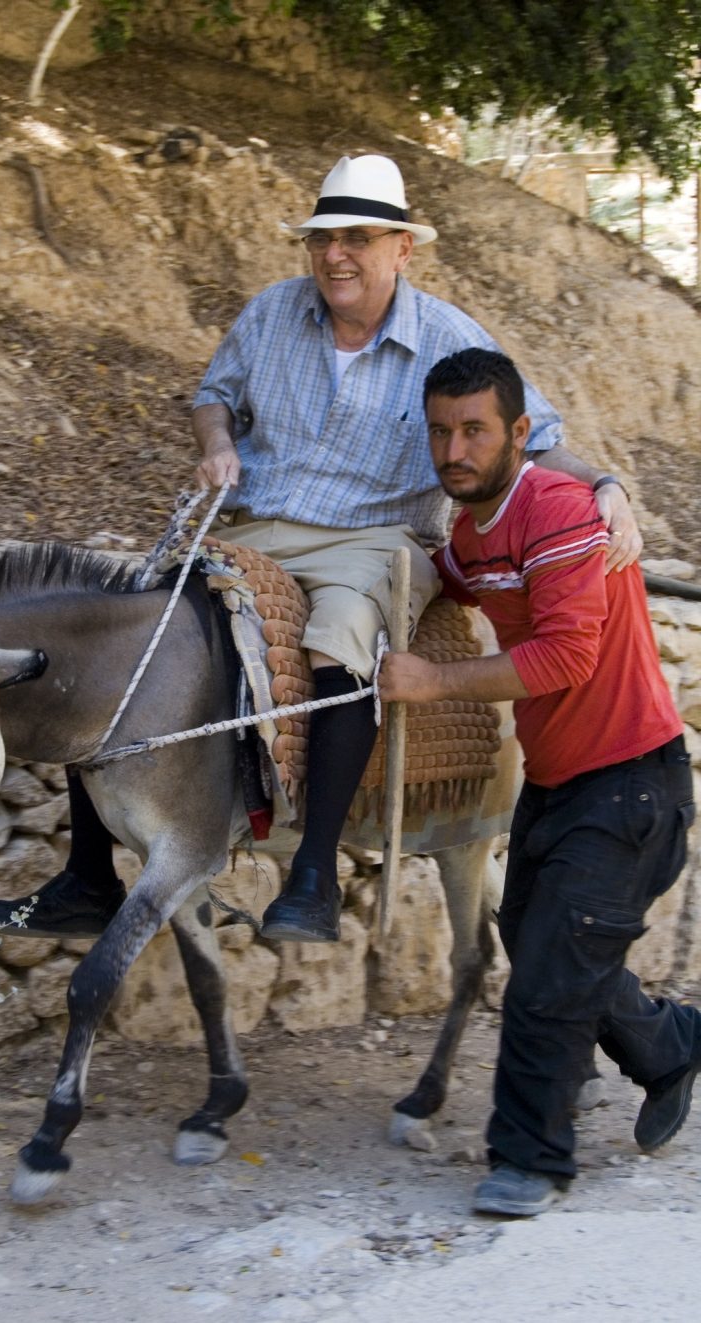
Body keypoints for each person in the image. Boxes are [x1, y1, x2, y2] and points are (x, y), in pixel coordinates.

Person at [0, 153, 641, 945]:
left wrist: (608, 484)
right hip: (254, 523)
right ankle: (87, 876)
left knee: (338, 642)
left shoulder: (449, 337)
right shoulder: (271, 313)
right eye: (323, 237)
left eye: (358, 237)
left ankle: (314, 874)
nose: (336, 254)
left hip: (376, 538)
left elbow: (539, 439)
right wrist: (218, 444)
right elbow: (213, 396)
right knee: (128, 633)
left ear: (403, 248)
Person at [378, 347, 700, 1217]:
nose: (455, 449)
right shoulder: (474, 533)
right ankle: (671, 1045)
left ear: (520, 433)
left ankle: (530, 1158)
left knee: (549, 978)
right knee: (542, 939)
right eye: (441, 431)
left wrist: (429, 681)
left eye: (475, 430)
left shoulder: (556, 509)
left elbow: (565, 653)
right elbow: (459, 577)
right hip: (559, 784)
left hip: (631, 783)